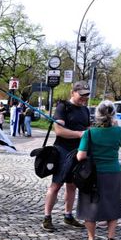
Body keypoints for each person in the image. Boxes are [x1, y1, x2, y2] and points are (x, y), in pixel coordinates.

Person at [76, 100, 121, 240]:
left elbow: (80, 156)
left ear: (97, 114)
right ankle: (111, 238)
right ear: (113, 115)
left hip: (93, 175)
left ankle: (91, 239)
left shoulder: (89, 133)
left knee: (90, 205)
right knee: (112, 204)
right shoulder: (118, 131)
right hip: (113, 173)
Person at [42, 81, 91, 232]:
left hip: (79, 151)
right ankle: (47, 218)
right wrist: (79, 134)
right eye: (81, 95)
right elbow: (59, 131)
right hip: (62, 151)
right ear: (73, 93)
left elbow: (88, 128)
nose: (84, 98)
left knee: (73, 185)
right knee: (56, 185)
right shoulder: (63, 107)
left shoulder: (86, 110)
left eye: (86, 95)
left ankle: (68, 216)